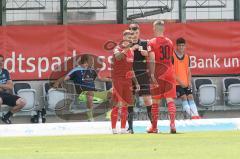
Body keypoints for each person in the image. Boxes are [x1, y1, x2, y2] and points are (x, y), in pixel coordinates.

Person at [148, 20, 177, 133]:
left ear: (154, 28)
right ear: (164, 29)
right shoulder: (170, 42)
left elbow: (152, 59)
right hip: (169, 72)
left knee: (155, 101)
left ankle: (154, 127)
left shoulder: (152, 42)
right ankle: (173, 124)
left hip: (158, 73)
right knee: (170, 100)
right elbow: (170, 58)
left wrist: (151, 74)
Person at [63, 54, 111, 121]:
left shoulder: (92, 70)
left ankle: (109, 115)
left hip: (94, 93)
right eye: (91, 61)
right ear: (86, 61)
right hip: (82, 94)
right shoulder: (76, 70)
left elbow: (100, 78)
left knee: (112, 93)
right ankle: (90, 117)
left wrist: (111, 79)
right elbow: (65, 78)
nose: (93, 63)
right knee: (90, 93)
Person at [111, 30, 140, 134]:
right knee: (117, 104)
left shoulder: (131, 52)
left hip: (127, 81)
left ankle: (123, 129)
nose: (130, 39)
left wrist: (136, 82)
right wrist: (127, 48)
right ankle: (114, 129)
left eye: (131, 38)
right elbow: (118, 58)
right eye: (128, 37)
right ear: (123, 37)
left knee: (126, 105)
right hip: (118, 80)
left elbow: (131, 68)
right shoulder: (117, 49)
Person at [127, 23, 153, 134]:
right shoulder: (126, 44)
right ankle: (130, 128)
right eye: (132, 33)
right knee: (130, 100)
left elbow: (152, 55)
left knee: (147, 99)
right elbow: (121, 57)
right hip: (129, 74)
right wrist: (132, 48)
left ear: (139, 32)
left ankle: (154, 125)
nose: (134, 35)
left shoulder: (145, 43)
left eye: (136, 33)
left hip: (142, 74)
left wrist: (146, 53)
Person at [173, 37, 200, 119]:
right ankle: (192, 115)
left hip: (185, 82)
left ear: (185, 46)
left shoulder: (187, 57)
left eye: (183, 45)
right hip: (177, 83)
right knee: (184, 97)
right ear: (176, 46)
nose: (181, 47)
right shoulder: (172, 56)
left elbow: (188, 71)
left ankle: (196, 115)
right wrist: (181, 82)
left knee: (191, 96)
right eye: (179, 45)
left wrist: (189, 81)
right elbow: (171, 73)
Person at [0, 55, 26, 124]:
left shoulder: (5, 71)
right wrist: (5, 86)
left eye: (2, 61)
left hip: (6, 94)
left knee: (22, 102)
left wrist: (1, 86)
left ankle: (6, 117)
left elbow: (11, 86)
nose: (0, 63)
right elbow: (7, 86)